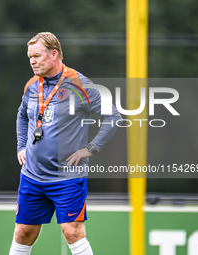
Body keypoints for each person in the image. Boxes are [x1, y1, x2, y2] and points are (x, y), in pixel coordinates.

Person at [9, 32, 122, 255]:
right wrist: (21, 146)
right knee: (23, 232)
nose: (32, 61)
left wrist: (91, 148)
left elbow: (114, 117)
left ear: (54, 54)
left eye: (37, 56)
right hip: (32, 175)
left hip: (67, 177)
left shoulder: (79, 83)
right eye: (29, 56)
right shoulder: (32, 85)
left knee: (72, 231)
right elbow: (22, 116)